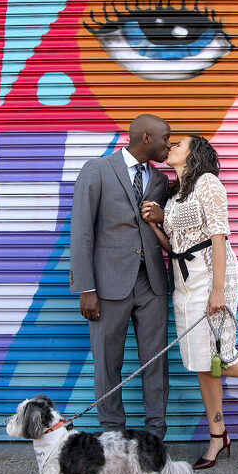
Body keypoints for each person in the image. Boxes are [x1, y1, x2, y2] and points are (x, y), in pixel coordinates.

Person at [142, 134, 238, 468]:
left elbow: (218, 236)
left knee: (222, 359)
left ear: (194, 154)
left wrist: (217, 291)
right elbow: (174, 247)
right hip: (184, 281)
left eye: (179, 144)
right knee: (202, 361)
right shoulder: (174, 196)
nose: (171, 147)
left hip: (214, 276)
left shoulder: (208, 184)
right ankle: (218, 435)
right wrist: (155, 224)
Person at [69, 114, 172, 438]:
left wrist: (162, 215)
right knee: (107, 364)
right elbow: (81, 231)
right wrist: (86, 287)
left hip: (152, 284)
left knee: (155, 363)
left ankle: (155, 436)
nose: (168, 145)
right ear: (145, 138)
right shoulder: (97, 170)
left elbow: (163, 229)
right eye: (165, 138)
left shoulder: (158, 180)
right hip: (108, 285)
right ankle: (113, 436)